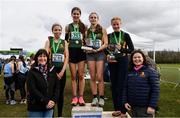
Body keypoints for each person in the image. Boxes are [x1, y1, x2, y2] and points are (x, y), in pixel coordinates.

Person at [106, 17, 134, 116]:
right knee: (113, 85)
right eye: (114, 24)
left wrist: (121, 48)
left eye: (117, 24)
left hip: (123, 61)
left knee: (121, 85)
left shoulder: (126, 35)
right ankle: (117, 108)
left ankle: (123, 110)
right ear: (112, 25)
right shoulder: (109, 36)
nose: (116, 26)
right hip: (112, 61)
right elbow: (105, 48)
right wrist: (107, 55)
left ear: (120, 24)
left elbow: (131, 49)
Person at [123, 50, 160, 117]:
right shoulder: (129, 72)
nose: (137, 59)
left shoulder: (150, 71)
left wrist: (152, 106)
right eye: (135, 57)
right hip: (132, 107)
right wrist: (125, 102)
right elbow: (125, 88)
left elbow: (155, 90)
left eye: (139, 57)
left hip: (145, 108)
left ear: (143, 58)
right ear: (132, 59)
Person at [45, 23, 69, 117]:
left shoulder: (64, 42)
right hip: (51, 70)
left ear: (61, 31)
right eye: (55, 30)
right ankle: (52, 114)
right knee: (51, 92)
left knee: (60, 92)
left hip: (61, 69)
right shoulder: (48, 41)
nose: (57, 31)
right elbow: (46, 56)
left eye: (59, 30)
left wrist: (63, 71)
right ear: (52, 31)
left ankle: (60, 115)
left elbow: (67, 57)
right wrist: (52, 71)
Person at [26, 49, 59, 117]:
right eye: (40, 56)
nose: (42, 58)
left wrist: (53, 100)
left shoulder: (52, 70)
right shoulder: (32, 71)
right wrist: (46, 101)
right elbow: (32, 89)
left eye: (44, 56)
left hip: (49, 107)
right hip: (35, 107)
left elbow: (57, 87)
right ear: (36, 58)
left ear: (47, 58)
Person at [85, 12, 108, 107]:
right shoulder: (87, 31)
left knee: (99, 76)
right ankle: (94, 97)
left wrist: (98, 49)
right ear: (89, 19)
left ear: (98, 19)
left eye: (95, 17)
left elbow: (106, 43)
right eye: (91, 17)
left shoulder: (102, 29)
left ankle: (101, 97)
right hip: (90, 55)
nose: (93, 19)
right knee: (92, 76)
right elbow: (87, 44)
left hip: (100, 54)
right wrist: (88, 49)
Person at [65, 7, 87, 106]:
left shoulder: (84, 26)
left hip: (81, 51)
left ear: (80, 15)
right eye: (74, 13)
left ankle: (81, 97)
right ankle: (74, 97)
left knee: (81, 76)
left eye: (77, 14)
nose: (76, 15)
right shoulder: (68, 27)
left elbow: (86, 40)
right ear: (71, 15)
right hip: (72, 51)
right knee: (73, 76)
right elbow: (66, 41)